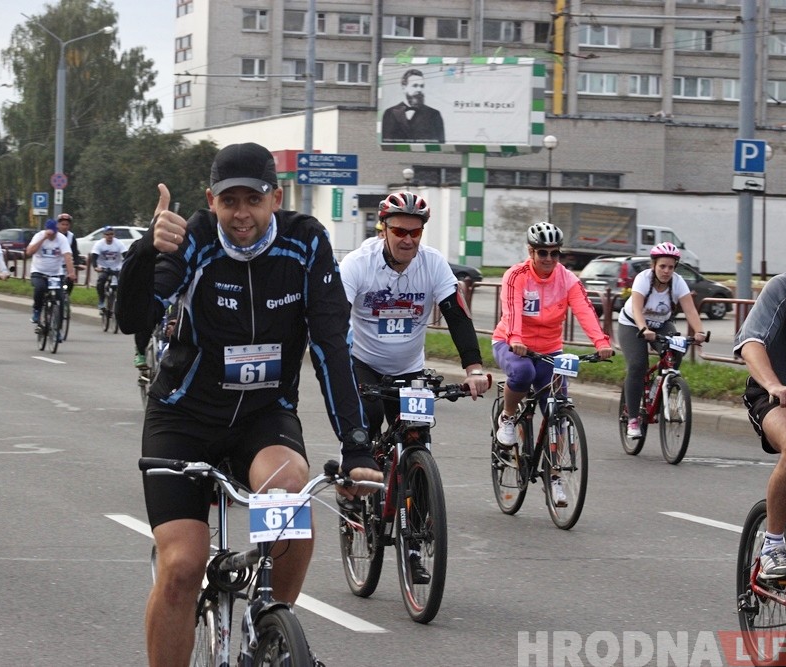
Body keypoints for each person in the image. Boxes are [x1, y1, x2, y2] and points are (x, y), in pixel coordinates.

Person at [115, 142, 382, 667]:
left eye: (253, 200)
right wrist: (146, 252)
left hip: (263, 416)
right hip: (184, 417)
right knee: (184, 567)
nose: (242, 214)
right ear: (210, 200)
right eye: (229, 201)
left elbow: (331, 343)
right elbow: (135, 319)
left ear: (275, 198)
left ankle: (271, 628)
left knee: (290, 493)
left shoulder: (305, 243)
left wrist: (357, 447)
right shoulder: (191, 239)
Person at [339, 190, 490, 584]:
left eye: (416, 232)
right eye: (400, 231)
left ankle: (412, 544)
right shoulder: (358, 264)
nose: (408, 239)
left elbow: (456, 315)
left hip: (409, 366)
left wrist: (473, 367)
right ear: (383, 229)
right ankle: (355, 490)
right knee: (368, 419)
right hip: (364, 363)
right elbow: (334, 319)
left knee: (417, 441)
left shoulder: (433, 264)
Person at [492, 222, 613, 504]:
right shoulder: (517, 275)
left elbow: (584, 309)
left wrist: (601, 342)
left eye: (554, 253)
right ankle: (508, 416)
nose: (548, 259)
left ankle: (555, 477)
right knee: (523, 372)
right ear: (531, 252)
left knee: (556, 406)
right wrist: (516, 338)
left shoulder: (567, 279)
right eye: (542, 253)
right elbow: (511, 311)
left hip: (549, 349)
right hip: (511, 341)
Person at [733, 221, 786, 581]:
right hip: (776, 397)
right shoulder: (785, 290)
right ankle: (772, 544)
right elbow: (750, 343)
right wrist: (774, 384)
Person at [617, 242, 707, 438]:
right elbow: (637, 310)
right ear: (654, 265)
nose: (666, 271)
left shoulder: (677, 282)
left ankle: (661, 388)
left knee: (676, 350)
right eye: (662, 266)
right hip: (633, 324)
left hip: (661, 324)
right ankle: (633, 418)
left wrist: (699, 332)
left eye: (671, 267)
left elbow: (690, 310)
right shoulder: (643, 279)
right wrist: (643, 329)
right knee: (638, 364)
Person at [25, 219, 75, 326]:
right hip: (39, 271)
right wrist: (43, 238)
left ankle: (58, 328)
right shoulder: (39, 236)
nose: (52, 235)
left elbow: (67, 256)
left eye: (54, 232)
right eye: (50, 232)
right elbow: (29, 252)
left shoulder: (61, 238)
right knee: (40, 288)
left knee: (60, 298)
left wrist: (71, 273)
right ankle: (37, 311)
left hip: (56, 273)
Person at [381, 68, 446, 143]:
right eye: (415, 86)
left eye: (421, 86)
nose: (419, 90)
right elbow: (386, 141)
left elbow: (440, 144)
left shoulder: (434, 114)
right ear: (404, 87)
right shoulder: (390, 113)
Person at [88, 226, 126, 311]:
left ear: (114, 235)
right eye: (107, 234)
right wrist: (95, 267)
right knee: (101, 281)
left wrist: (126, 267)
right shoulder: (99, 244)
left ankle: (120, 302)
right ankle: (101, 300)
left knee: (121, 284)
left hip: (116, 268)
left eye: (111, 234)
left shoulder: (118, 243)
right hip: (104, 268)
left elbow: (125, 255)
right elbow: (94, 257)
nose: (109, 236)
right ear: (104, 235)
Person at [56, 213, 81, 295]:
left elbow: (74, 252)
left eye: (67, 224)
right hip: (53, 266)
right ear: (58, 224)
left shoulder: (71, 236)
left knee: (68, 282)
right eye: (62, 224)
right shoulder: (53, 234)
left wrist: (77, 263)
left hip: (65, 267)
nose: (64, 227)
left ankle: (65, 296)